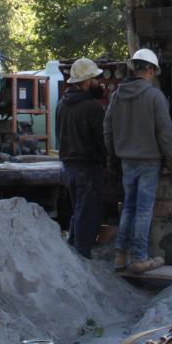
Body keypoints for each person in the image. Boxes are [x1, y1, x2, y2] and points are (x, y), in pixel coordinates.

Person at [104, 47, 172, 273]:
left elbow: (107, 130)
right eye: (154, 71)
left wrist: (112, 157)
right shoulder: (155, 96)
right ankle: (139, 258)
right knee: (144, 210)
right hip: (148, 162)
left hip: (126, 161)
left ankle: (120, 256)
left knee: (128, 207)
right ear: (150, 70)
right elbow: (164, 132)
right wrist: (171, 158)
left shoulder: (116, 96)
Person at [56, 57, 109, 258]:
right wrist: (109, 161)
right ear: (85, 82)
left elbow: (59, 135)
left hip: (68, 168)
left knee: (78, 210)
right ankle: (81, 256)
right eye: (95, 79)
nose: (99, 82)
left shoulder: (62, 104)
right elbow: (102, 140)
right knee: (87, 214)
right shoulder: (92, 107)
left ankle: (72, 251)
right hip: (87, 168)